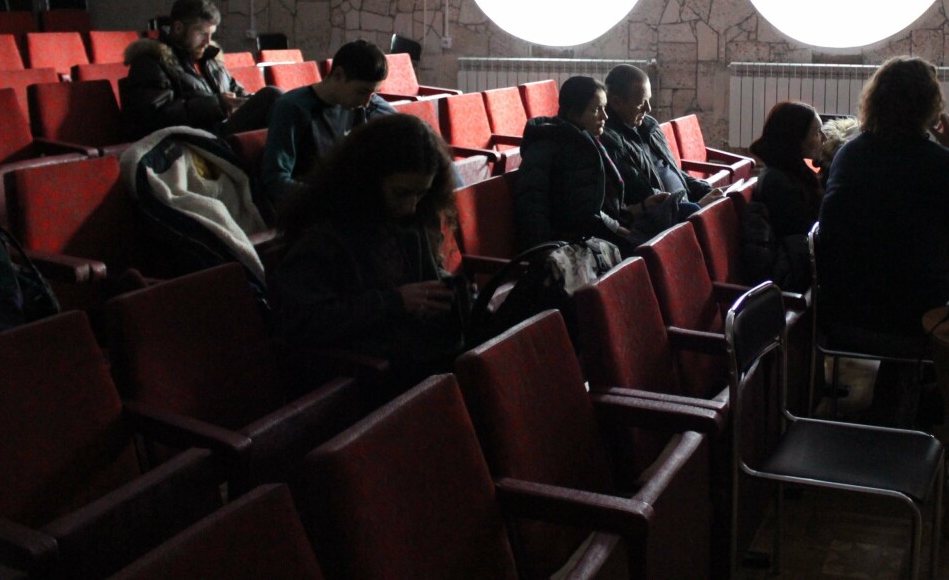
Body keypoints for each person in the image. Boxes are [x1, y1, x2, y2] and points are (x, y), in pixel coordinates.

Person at [268, 113, 465, 395]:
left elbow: (415, 276)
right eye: (401, 193)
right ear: (369, 180)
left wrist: (443, 289)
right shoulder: (323, 234)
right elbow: (302, 321)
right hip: (359, 372)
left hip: (405, 353)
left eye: (420, 194)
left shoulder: (410, 218)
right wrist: (395, 301)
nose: (411, 206)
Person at [815, 56, 949, 345]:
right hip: (919, 312)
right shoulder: (945, 164)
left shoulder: (847, 155)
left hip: (844, 307)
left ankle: (901, 371)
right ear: (931, 108)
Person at [514, 76, 655, 251]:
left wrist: (639, 209)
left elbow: (601, 205)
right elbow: (533, 209)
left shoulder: (598, 142)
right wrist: (544, 253)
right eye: (597, 109)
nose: (605, 116)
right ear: (573, 113)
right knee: (647, 250)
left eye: (604, 108)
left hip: (602, 229)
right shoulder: (545, 149)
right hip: (571, 243)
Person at [121, 0, 281, 139]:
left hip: (223, 131)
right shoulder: (151, 62)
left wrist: (246, 100)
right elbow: (155, 117)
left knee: (282, 104)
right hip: (195, 140)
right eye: (202, 34)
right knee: (272, 96)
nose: (207, 42)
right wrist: (217, 105)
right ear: (178, 28)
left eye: (211, 35)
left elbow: (235, 90)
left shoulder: (210, 60)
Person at [260, 39, 395, 206]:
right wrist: (331, 199)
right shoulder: (292, 108)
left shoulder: (356, 103)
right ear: (338, 75)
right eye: (362, 92)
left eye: (373, 94)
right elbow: (275, 181)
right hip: (309, 205)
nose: (367, 103)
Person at [599, 64, 723, 219]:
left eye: (649, 100)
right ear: (616, 103)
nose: (648, 108)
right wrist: (697, 207)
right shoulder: (611, 142)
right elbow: (646, 195)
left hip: (685, 207)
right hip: (668, 218)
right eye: (640, 103)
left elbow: (672, 170)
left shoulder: (649, 126)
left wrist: (705, 190)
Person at [749, 101, 825, 240]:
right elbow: (803, 233)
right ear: (796, 139)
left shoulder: (790, 171)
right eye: (817, 133)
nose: (824, 138)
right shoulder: (777, 182)